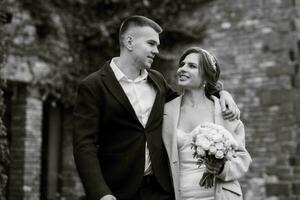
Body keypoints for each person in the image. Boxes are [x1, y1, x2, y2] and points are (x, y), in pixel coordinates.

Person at [73, 16, 240, 200]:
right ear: (129, 42)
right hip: (117, 191)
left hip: (161, 190)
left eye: (157, 45)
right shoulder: (93, 86)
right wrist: (101, 193)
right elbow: (84, 146)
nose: (156, 51)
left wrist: (221, 94)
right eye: (151, 44)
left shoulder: (157, 81)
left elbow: (189, 101)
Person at [162, 47, 252, 200]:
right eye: (182, 64)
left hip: (220, 195)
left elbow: (243, 158)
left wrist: (222, 168)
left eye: (191, 66)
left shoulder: (226, 110)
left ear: (205, 77)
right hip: (181, 195)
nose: (182, 69)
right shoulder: (166, 110)